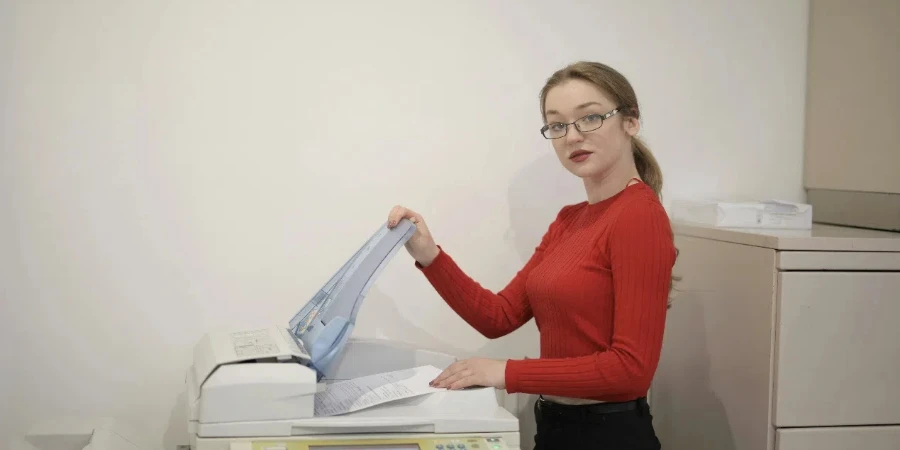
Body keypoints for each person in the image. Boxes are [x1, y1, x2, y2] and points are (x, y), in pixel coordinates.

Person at [387, 61, 677, 450]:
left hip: (609, 435)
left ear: (630, 122)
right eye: (557, 125)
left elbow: (630, 371)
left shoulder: (638, 215)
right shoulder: (570, 220)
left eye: (589, 118)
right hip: (557, 428)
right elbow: (498, 315)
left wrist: (503, 372)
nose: (572, 136)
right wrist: (427, 253)